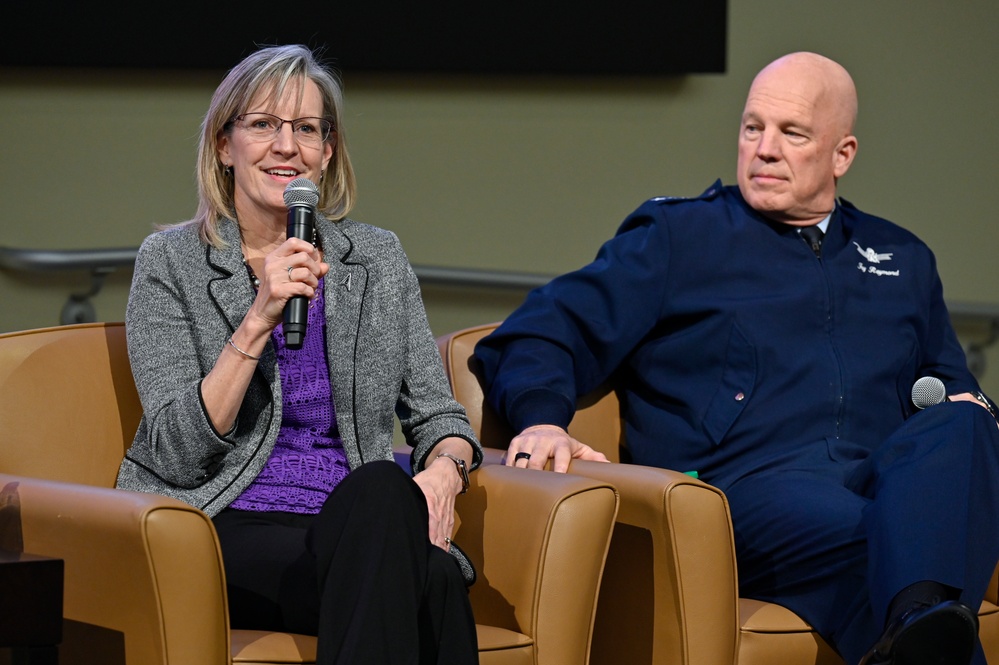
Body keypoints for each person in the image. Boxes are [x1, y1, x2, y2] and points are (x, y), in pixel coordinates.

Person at [474, 51, 999, 665]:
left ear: (842, 155)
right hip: (744, 493)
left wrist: (972, 415)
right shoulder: (679, 238)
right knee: (908, 544)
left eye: (792, 133)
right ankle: (921, 611)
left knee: (965, 423)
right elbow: (541, 332)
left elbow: (953, 394)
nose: (765, 149)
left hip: (879, 485)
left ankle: (915, 625)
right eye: (753, 128)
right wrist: (541, 417)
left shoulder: (903, 257)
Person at [116, 44, 482, 664]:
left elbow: (438, 415)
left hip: (354, 524)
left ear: (327, 152)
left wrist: (446, 472)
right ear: (224, 146)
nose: (286, 146)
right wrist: (259, 316)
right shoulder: (172, 263)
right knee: (435, 578)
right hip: (225, 520)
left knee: (378, 492)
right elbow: (175, 449)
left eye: (307, 129)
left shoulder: (376, 260)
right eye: (262, 125)